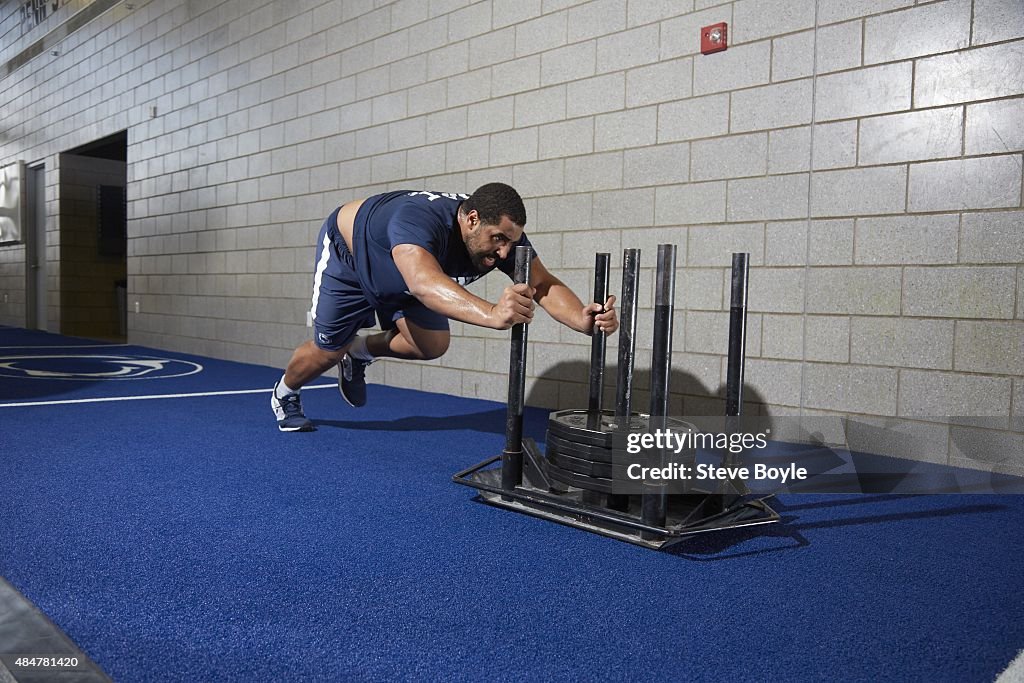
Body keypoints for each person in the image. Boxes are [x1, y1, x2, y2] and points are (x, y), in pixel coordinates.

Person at [271, 183, 619, 431]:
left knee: (432, 344)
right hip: (352, 256)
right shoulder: (418, 219)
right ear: (471, 220)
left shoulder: (504, 239)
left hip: (412, 273)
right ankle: (285, 393)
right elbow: (423, 284)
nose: (503, 253)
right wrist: (493, 314)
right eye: (498, 239)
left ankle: (359, 352)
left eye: (510, 242)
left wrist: (581, 319)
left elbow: (542, 283)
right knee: (327, 351)